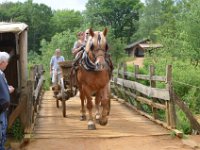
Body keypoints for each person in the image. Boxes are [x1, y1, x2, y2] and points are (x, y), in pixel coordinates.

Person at [0, 52, 15, 150]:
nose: (7, 64)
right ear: (1, 62)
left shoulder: (1, 73)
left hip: (3, 108)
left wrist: (7, 88)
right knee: (1, 130)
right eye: (6, 62)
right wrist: (8, 89)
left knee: (3, 129)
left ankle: (3, 146)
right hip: (0, 109)